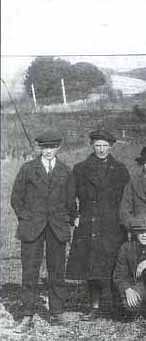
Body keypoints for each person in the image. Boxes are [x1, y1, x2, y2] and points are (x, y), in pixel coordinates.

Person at [11, 130, 76, 332]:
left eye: (52, 147)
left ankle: (57, 312)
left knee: (56, 271)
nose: (48, 151)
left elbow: (70, 200)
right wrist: (26, 217)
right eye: (45, 147)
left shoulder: (66, 171)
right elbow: (16, 198)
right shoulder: (28, 169)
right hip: (32, 228)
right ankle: (27, 315)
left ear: (58, 148)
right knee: (30, 271)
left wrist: (69, 218)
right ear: (40, 148)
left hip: (57, 227)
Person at [66, 130, 130, 320]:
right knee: (91, 265)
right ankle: (94, 306)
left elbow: (126, 198)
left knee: (113, 262)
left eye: (105, 146)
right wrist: (74, 216)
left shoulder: (120, 169)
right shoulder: (80, 168)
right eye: (98, 146)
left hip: (112, 223)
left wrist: (124, 221)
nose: (101, 149)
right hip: (89, 222)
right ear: (92, 146)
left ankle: (116, 305)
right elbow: (70, 196)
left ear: (111, 147)